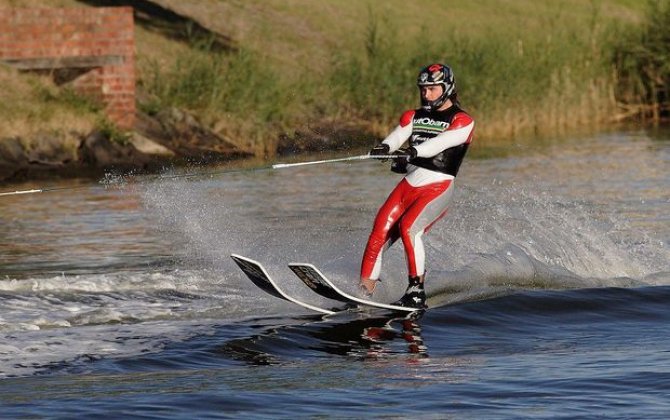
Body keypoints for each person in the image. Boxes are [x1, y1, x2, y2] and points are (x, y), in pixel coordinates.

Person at [359, 63, 475, 309]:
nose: (426, 94)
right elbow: (398, 135)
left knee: (409, 228)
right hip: (409, 185)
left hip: (437, 186)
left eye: (433, 89)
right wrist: (386, 148)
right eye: (423, 89)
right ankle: (363, 293)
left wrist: (412, 152)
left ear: (447, 88)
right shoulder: (414, 115)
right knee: (379, 229)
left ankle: (416, 291)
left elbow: (439, 144)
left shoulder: (462, 121)